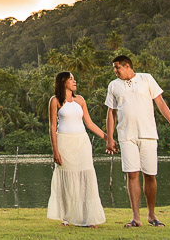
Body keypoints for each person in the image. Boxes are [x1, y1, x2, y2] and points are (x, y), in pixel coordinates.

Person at [104, 55, 170, 228]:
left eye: (117, 68)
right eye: (114, 69)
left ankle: (152, 215)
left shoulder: (146, 79)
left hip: (148, 134)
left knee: (150, 175)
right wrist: (110, 138)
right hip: (126, 136)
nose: (115, 71)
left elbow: (160, 103)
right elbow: (111, 113)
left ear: (127, 66)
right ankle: (136, 217)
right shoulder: (113, 85)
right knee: (132, 174)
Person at [47, 71, 107, 227]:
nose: (74, 81)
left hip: (82, 143)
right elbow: (53, 127)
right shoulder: (55, 101)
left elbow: (90, 123)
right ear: (63, 82)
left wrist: (107, 137)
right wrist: (55, 151)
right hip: (64, 143)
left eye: (74, 79)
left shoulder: (80, 100)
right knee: (67, 179)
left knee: (86, 178)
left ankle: (88, 218)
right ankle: (67, 217)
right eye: (71, 79)